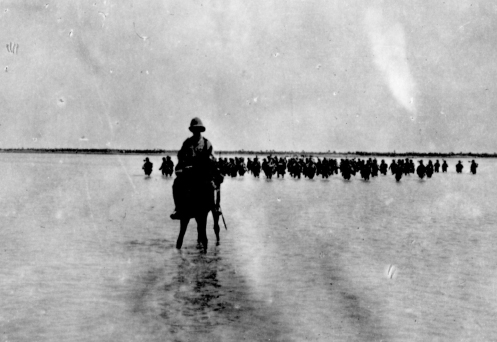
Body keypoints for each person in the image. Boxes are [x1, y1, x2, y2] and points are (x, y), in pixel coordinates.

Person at [170, 118, 223, 249]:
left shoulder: (207, 143)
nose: (196, 132)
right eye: (194, 130)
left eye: (198, 130)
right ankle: (178, 208)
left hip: (203, 174)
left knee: (213, 185)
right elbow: (180, 157)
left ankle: (215, 207)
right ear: (192, 130)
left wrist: (212, 167)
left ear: (201, 130)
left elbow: (212, 159)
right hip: (189, 174)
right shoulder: (187, 143)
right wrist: (185, 166)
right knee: (176, 184)